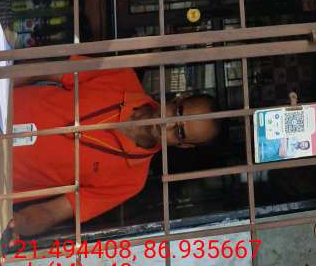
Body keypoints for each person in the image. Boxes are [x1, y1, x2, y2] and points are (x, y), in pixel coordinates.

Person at [11, 62, 220, 237]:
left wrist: (13, 226)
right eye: (178, 112)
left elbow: (51, 212)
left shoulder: (131, 180)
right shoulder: (121, 75)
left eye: (179, 132)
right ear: (179, 98)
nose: (168, 124)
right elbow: (40, 70)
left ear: (182, 145)